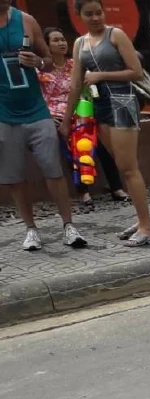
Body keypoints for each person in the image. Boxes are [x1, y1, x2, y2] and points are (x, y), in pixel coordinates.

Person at [62, 0, 150, 243]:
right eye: (89, 14)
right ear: (79, 15)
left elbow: (136, 72)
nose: (95, 18)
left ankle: (147, 225)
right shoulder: (80, 43)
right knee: (120, 164)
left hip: (122, 101)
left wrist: (101, 75)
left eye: (98, 12)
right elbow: (75, 84)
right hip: (99, 105)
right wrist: (66, 119)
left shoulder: (117, 35)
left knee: (128, 166)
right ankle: (140, 218)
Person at [0, 0, 88, 251]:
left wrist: (37, 63)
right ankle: (30, 229)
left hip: (36, 109)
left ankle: (69, 225)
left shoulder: (26, 20)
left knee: (53, 169)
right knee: (15, 176)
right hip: (4, 113)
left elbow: (49, 60)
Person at [39, 26, 129, 209]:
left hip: (82, 108)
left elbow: (87, 88)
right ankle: (83, 190)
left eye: (63, 39)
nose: (62, 43)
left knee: (100, 139)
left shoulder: (75, 65)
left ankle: (116, 186)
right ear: (46, 46)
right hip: (55, 113)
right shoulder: (41, 70)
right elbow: (38, 97)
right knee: (76, 140)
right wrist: (47, 115)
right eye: (55, 40)